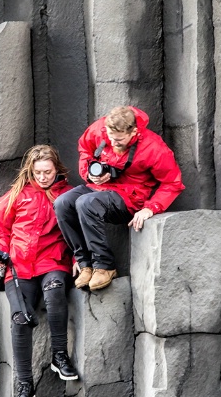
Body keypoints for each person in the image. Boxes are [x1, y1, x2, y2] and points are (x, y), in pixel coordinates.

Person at [54, 106, 184, 292]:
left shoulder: (153, 147)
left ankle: (105, 266)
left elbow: (172, 183)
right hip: (98, 188)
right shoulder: (99, 129)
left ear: (134, 132)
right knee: (62, 203)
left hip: (130, 198)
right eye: (110, 137)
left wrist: (151, 208)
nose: (114, 142)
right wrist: (90, 173)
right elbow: (85, 149)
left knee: (86, 203)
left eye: (120, 139)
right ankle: (85, 264)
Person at [0, 145, 78, 397]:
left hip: (53, 259)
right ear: (31, 170)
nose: (43, 177)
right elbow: (1, 230)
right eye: (38, 172)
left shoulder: (67, 195)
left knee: (55, 290)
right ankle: (25, 385)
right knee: (20, 319)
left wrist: (77, 259)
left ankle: (59, 356)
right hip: (20, 265)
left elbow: (77, 231)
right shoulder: (14, 195)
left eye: (48, 172)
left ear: (56, 169)